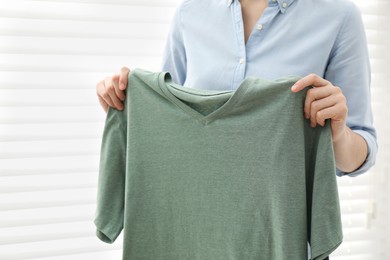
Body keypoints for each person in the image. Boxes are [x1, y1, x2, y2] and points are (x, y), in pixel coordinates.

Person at [95, 0, 378, 258]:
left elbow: (359, 154)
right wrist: (126, 106)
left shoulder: (338, 16)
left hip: (275, 241)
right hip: (190, 239)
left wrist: (338, 132)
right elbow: (170, 118)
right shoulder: (189, 14)